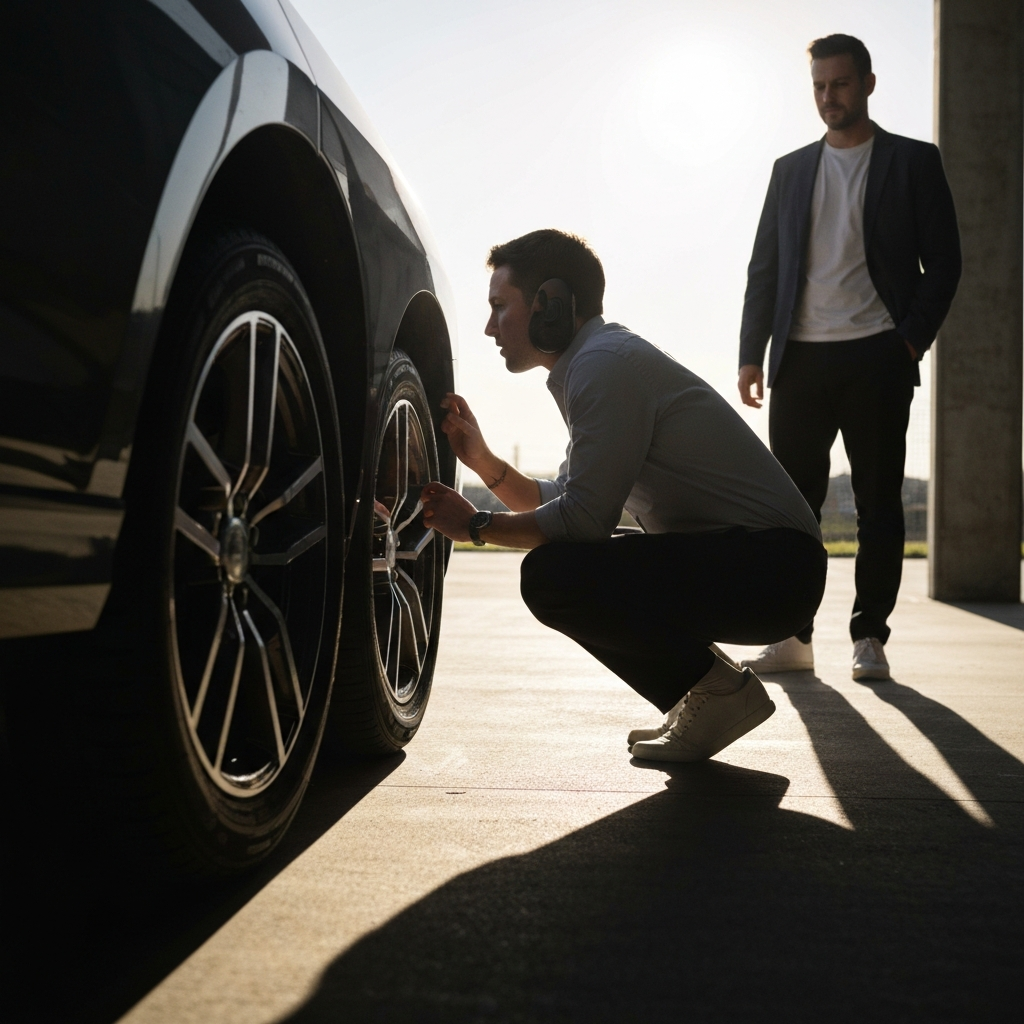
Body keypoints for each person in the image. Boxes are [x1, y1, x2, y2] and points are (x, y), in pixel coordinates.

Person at [421, 229, 826, 762]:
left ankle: (718, 694)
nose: (489, 326)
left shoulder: (603, 366)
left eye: (500, 307)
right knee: (567, 560)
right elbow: (566, 498)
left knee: (554, 576)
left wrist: (476, 527)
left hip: (775, 571)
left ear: (551, 303)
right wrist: (484, 462)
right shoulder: (596, 362)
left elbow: (581, 521)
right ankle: (705, 691)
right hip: (760, 565)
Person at [737, 34, 961, 681]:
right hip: (800, 359)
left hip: (878, 357)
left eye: (839, 84)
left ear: (867, 83)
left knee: (878, 505)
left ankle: (869, 636)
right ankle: (792, 634)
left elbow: (944, 262)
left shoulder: (914, 162)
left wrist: (911, 337)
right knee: (792, 509)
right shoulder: (791, 169)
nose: (828, 97)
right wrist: (752, 354)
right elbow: (765, 269)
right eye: (819, 87)